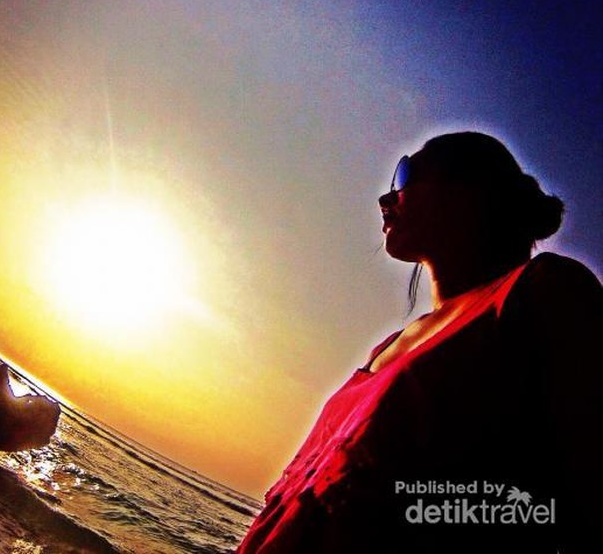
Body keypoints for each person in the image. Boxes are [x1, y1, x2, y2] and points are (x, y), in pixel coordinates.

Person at [236, 131, 602, 553]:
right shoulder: (388, 346)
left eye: (405, 174)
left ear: (469, 189)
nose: (386, 198)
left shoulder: (545, 291)